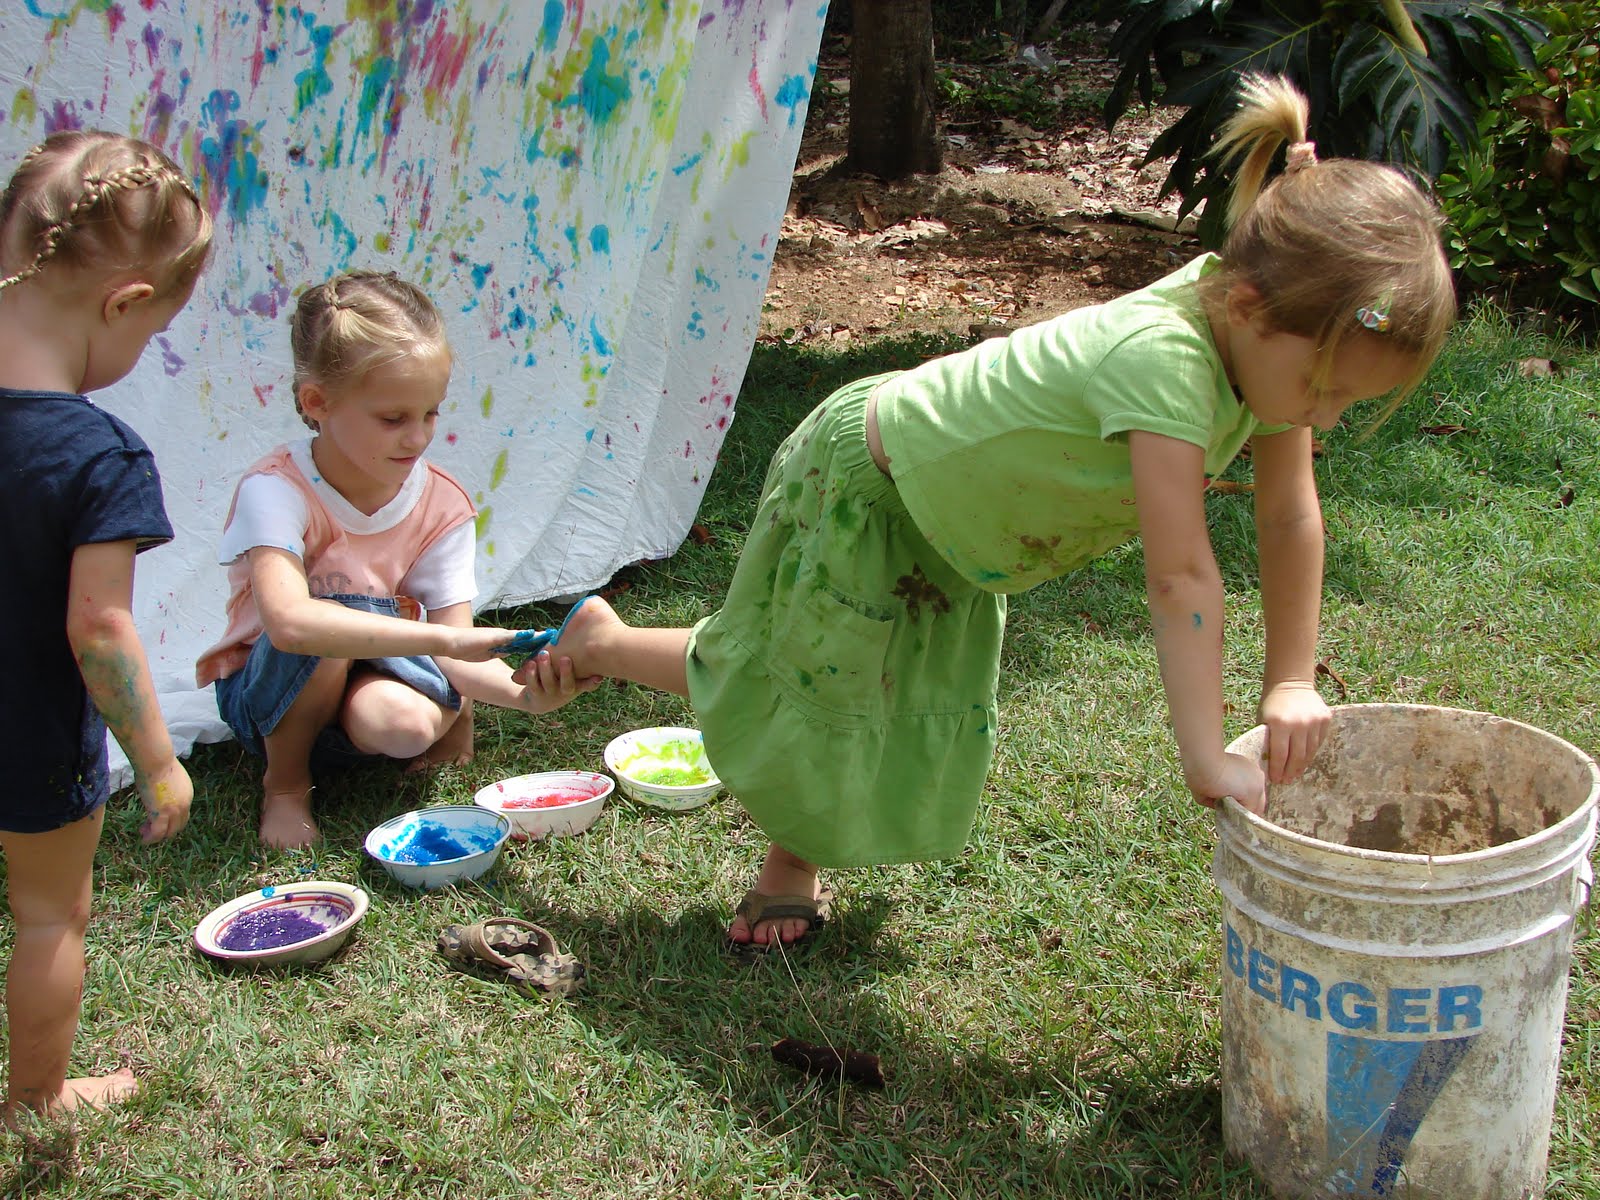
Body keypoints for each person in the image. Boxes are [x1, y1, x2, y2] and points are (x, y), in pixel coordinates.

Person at [517, 75, 1458, 949]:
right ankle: (786, 855)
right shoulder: (1168, 361)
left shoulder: (1269, 359)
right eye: (1321, 390)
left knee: (846, 687)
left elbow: (1290, 518)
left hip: (954, 536)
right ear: (1251, 307)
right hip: (872, 489)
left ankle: (605, 642)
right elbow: (1181, 577)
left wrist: (1292, 680)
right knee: (812, 692)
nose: (1319, 417)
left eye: (1345, 405)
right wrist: (1206, 755)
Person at [195, 271, 598, 849]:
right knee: (329, 617)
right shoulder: (276, 490)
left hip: (380, 680)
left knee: (405, 726)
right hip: (269, 697)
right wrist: (443, 643)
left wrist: (526, 696)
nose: (418, 438)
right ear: (317, 402)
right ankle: (285, 787)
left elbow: (455, 644)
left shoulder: (440, 503)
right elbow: (288, 623)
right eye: (394, 419)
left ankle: (449, 726)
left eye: (431, 413)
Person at [0, 130, 212, 1123]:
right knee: (50, 914)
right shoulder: (97, 453)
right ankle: (38, 1098)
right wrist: (159, 758)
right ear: (125, 303)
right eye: (153, 331)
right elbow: (99, 629)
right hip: (31, 736)